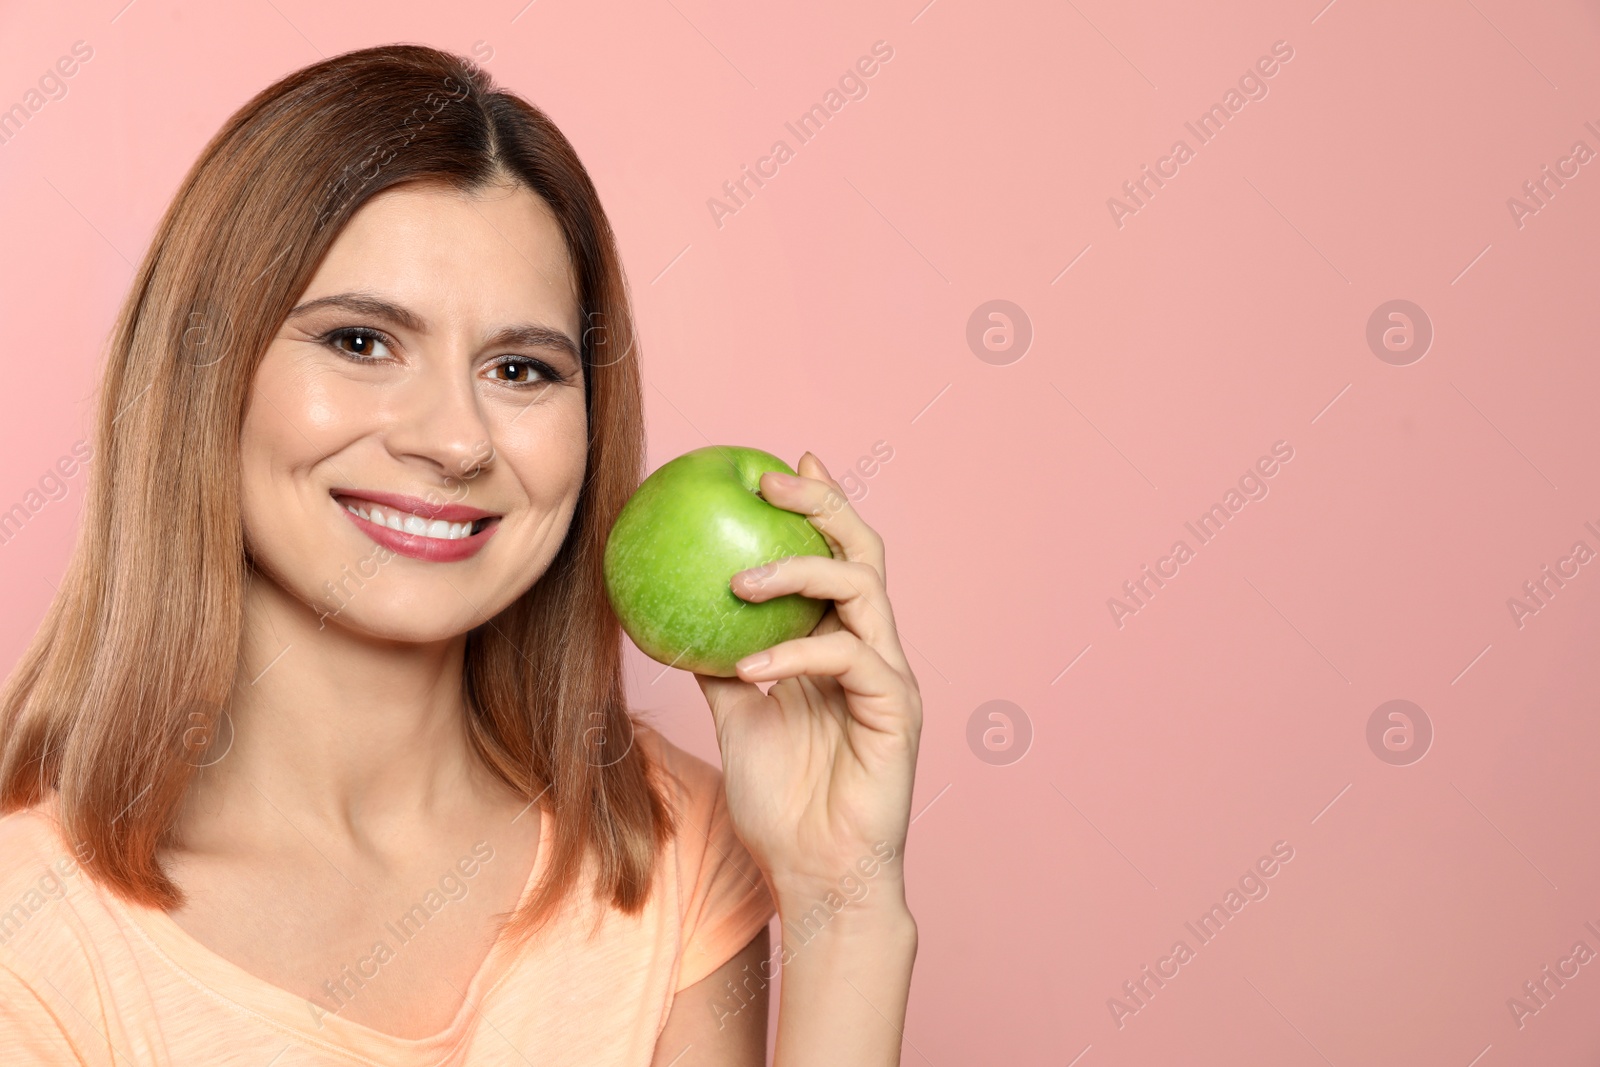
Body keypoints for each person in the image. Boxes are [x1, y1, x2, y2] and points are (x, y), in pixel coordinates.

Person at [0, 44, 921, 1065]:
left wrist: (845, 906)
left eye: (520, 367)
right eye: (359, 342)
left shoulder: (668, 847)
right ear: (202, 378)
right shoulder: (28, 933)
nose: (455, 439)